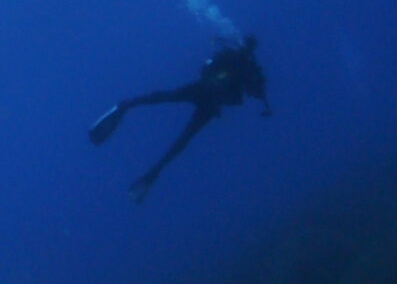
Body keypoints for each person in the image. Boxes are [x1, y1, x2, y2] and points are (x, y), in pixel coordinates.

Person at [88, 35, 271, 202]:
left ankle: (127, 106)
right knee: (183, 135)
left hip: (202, 91)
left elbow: (208, 69)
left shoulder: (232, 56)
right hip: (211, 103)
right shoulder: (248, 66)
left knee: (166, 99)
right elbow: (253, 92)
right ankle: (155, 169)